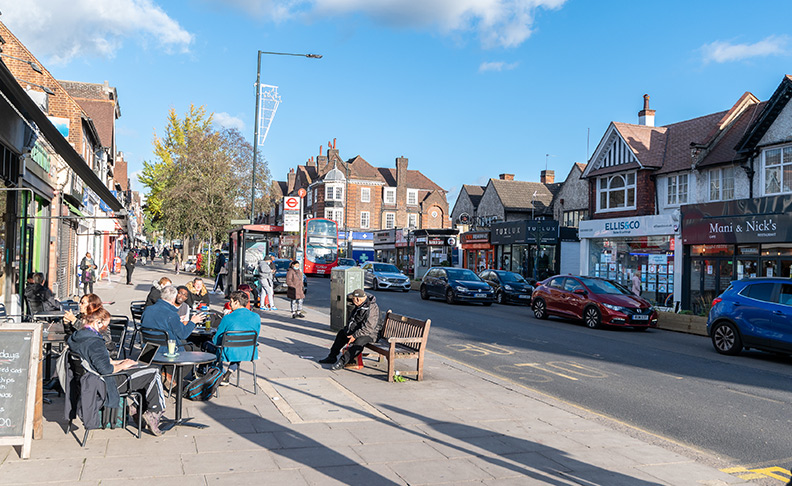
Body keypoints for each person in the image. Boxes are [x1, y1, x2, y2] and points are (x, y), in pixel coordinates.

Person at [67, 308, 167, 436]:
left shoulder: (78, 336)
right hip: (106, 383)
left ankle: (137, 408)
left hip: (90, 380)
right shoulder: (94, 342)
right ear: (98, 322)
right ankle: (153, 412)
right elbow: (107, 370)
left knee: (141, 370)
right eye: (106, 325)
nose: (106, 328)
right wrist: (123, 365)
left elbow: (95, 361)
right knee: (153, 372)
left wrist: (119, 362)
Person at [318, 289, 381, 370]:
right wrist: (348, 330)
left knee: (359, 342)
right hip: (359, 331)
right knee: (342, 334)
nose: (352, 301)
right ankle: (332, 357)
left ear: (359, 299)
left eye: (354, 299)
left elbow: (369, 327)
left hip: (371, 334)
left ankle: (342, 362)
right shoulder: (360, 305)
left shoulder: (372, 308)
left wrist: (355, 335)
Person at [205, 291, 260, 382]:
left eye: (231, 301)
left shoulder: (227, 318)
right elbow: (256, 336)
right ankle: (228, 372)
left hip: (229, 352)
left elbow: (216, 341)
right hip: (249, 351)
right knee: (238, 346)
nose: (229, 304)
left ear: (236, 302)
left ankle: (216, 374)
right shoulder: (256, 317)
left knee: (209, 345)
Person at [141, 285, 204, 352]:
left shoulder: (147, 310)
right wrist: (193, 322)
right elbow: (183, 335)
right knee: (198, 352)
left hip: (147, 350)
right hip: (168, 351)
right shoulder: (172, 314)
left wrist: (177, 321)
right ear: (173, 299)